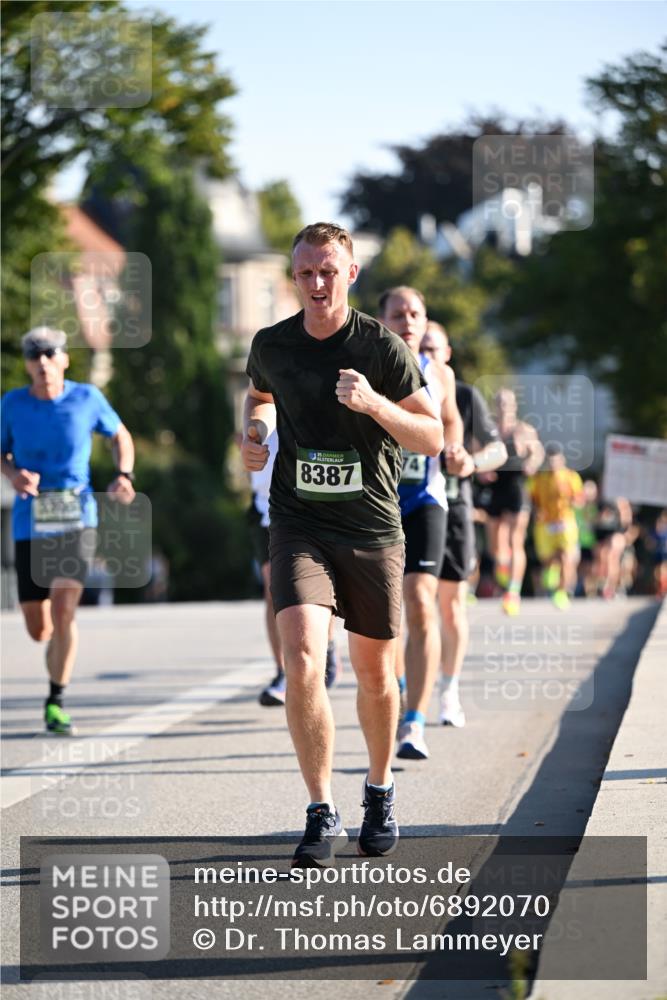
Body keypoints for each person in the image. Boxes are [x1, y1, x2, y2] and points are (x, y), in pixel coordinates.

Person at [241, 223, 443, 867]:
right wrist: (255, 429)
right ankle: (319, 807)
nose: (317, 283)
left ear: (351, 274)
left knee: (376, 675)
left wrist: (377, 405)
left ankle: (379, 790)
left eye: (329, 271)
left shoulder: (382, 348)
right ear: (294, 278)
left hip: (371, 528)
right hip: (298, 521)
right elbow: (261, 395)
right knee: (302, 656)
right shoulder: (272, 343)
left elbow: (431, 437)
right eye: (306, 273)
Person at [1, 327, 136, 734]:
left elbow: (119, 435)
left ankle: (56, 699)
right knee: (39, 626)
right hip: (31, 518)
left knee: (64, 611)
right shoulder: (12, 404)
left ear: (64, 359)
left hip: (77, 514)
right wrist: (13, 473)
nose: (41, 362)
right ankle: (55, 657)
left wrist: (124, 474)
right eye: (33, 355)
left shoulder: (86, 398)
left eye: (49, 354)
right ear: (27, 363)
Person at [378, 291, 465, 759]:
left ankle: (414, 721)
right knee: (386, 616)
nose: (408, 322)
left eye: (415, 315)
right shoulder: (369, 365)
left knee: (420, 600)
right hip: (378, 503)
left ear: (425, 320)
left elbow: (451, 423)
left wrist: (455, 449)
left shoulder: (441, 374)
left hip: (427, 500)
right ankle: (400, 688)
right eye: (398, 315)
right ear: (381, 320)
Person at [420, 321, 507, 728]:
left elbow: (497, 451)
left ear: (448, 353)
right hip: (405, 507)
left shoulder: (466, 396)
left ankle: (449, 690)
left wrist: (472, 462)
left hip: (453, 506)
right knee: (411, 608)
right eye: (421, 347)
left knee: (450, 607)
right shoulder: (394, 386)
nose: (428, 355)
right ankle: (406, 688)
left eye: (434, 348)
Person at [251, 430, 341, 706]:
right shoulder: (260, 392)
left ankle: (326, 646)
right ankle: (282, 671)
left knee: (318, 593)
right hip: (264, 508)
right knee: (273, 592)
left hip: (307, 507)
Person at [483, 388, 544, 616]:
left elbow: (537, 452)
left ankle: (513, 591)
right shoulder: (488, 429)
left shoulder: (523, 430)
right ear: (494, 406)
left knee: (514, 539)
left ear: (514, 406)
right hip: (495, 487)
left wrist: (531, 464)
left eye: (507, 403)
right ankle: (503, 570)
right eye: (499, 402)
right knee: (495, 546)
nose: (503, 406)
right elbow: (476, 450)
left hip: (516, 486)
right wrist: (481, 471)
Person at [527, 443, 584, 610]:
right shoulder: (539, 478)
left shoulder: (571, 476)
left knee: (566, 557)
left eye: (555, 461)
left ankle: (561, 593)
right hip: (545, 525)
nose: (552, 464)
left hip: (565, 522)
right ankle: (552, 572)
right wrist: (535, 510)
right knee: (548, 560)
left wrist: (575, 501)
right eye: (550, 461)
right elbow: (531, 499)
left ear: (562, 460)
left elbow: (579, 499)